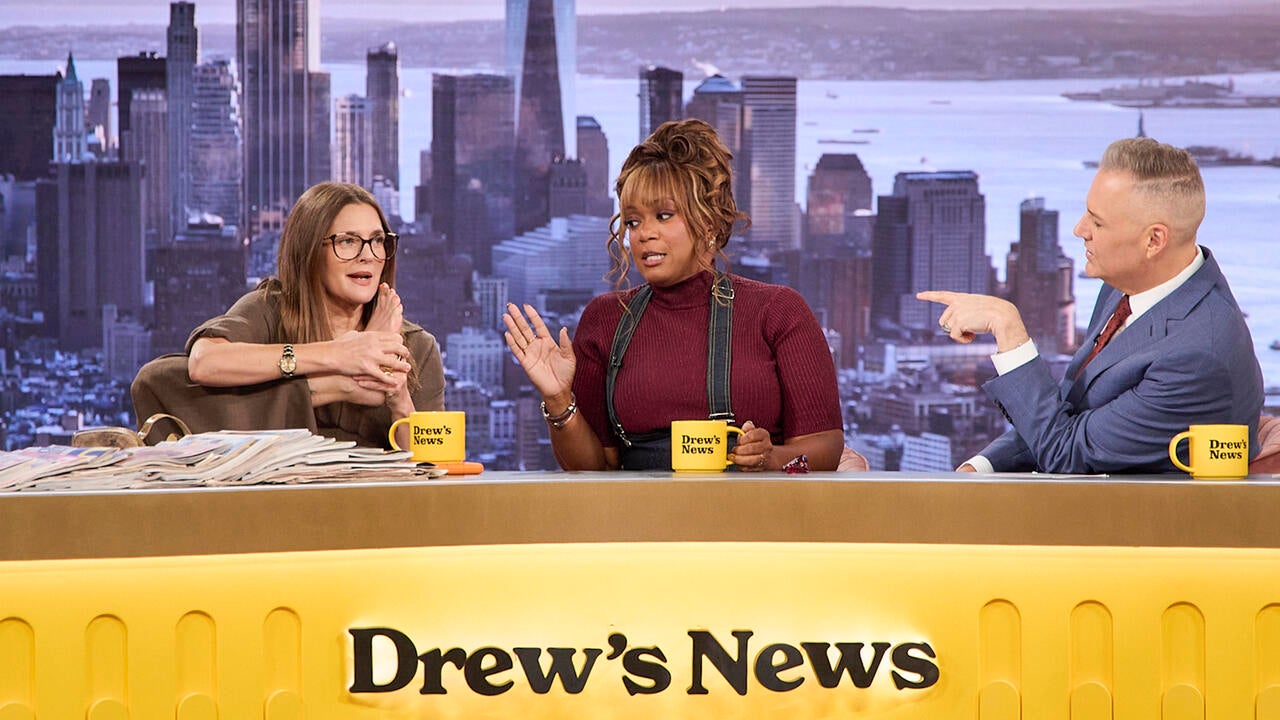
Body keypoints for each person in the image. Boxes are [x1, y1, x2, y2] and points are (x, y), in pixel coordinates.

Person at [502, 119, 845, 471]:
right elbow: (594, 468)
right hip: (639, 508)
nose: (643, 234)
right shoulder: (605, 319)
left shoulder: (778, 311)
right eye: (633, 222)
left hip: (751, 507)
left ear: (709, 222)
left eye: (663, 216)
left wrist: (771, 458)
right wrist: (559, 400)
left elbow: (825, 448)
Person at [919, 137, 1263, 474]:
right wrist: (981, 467)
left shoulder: (1198, 358)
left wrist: (1007, 328)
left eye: (1097, 222)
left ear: (1154, 240)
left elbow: (1066, 452)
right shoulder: (1124, 287)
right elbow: (1065, 413)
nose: (1079, 229)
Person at [180, 181, 444, 448]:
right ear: (309, 251)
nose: (368, 255)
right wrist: (340, 355)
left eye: (377, 240)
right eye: (348, 241)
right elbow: (204, 362)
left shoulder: (417, 347)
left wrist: (400, 401)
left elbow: (433, 462)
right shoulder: (271, 310)